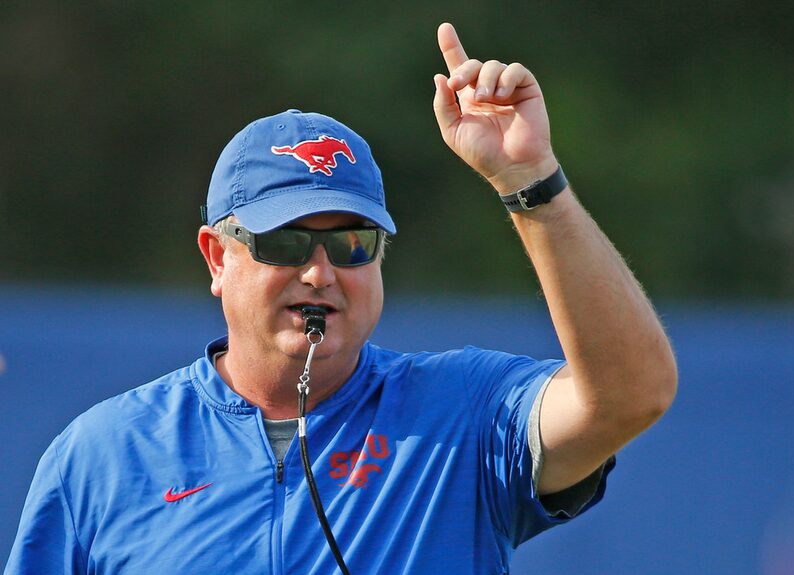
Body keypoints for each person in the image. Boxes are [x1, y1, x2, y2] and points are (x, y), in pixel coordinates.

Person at [5, 22, 677, 575]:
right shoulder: (102, 454)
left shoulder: (462, 416)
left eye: (352, 242)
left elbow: (630, 392)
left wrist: (530, 179)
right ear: (217, 258)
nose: (321, 272)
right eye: (288, 244)